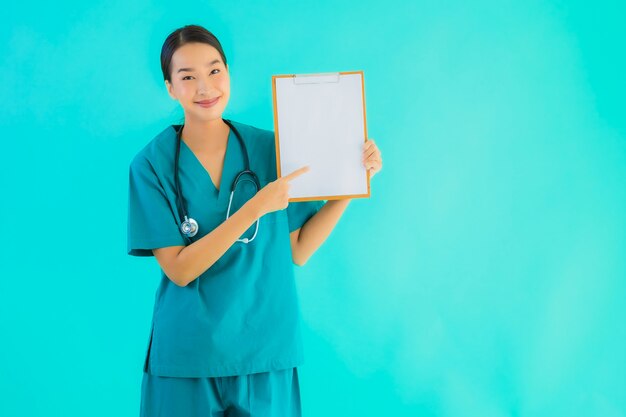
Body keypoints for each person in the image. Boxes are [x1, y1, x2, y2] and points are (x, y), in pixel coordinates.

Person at [127, 24, 383, 417]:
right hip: (188, 357)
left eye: (214, 71)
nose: (205, 87)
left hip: (266, 351)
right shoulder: (152, 165)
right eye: (188, 77)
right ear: (170, 88)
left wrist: (351, 184)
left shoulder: (272, 149)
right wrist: (253, 209)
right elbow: (179, 269)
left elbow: (299, 249)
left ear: (228, 74)